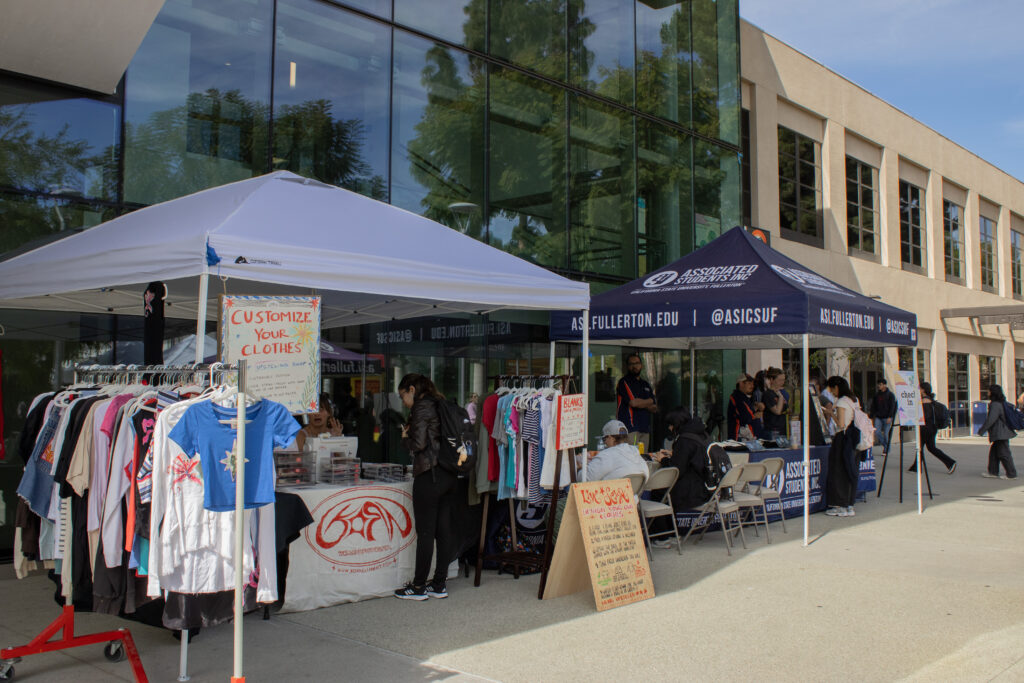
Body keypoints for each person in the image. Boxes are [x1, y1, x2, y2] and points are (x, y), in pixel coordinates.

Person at [394, 374, 455, 600]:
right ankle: (439, 584)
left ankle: (418, 586)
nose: (404, 402)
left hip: (429, 474)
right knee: (444, 531)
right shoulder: (441, 403)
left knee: (427, 533)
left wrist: (404, 437)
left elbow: (418, 443)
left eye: (403, 396)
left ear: (412, 389)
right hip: (448, 473)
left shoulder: (422, 407)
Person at [824, 375, 860, 517]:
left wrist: (830, 413)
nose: (832, 393)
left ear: (836, 387)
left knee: (839, 471)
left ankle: (840, 505)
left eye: (832, 390)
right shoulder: (854, 399)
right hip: (854, 438)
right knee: (850, 470)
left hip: (842, 438)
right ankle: (849, 505)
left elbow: (841, 424)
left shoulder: (841, 402)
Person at [579, 420, 649, 483]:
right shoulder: (635, 452)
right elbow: (646, 476)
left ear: (610, 437)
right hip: (633, 496)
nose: (605, 442)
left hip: (611, 496)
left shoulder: (608, 454)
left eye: (604, 439)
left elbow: (584, 479)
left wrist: (582, 467)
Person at [910, 382, 956, 474]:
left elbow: (925, 416)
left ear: (923, 390)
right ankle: (950, 463)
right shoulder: (930, 400)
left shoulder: (924, 401)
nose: (918, 390)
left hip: (925, 428)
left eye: (919, 388)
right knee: (930, 448)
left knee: (922, 447)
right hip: (932, 428)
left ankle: (950, 462)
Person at [616, 353, 658, 452]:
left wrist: (643, 403)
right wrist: (650, 401)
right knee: (632, 458)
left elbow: (654, 408)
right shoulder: (624, 382)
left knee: (643, 458)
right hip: (630, 428)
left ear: (641, 365)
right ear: (627, 366)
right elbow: (634, 403)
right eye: (631, 364)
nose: (634, 366)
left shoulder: (645, 384)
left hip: (645, 428)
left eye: (637, 363)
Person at [977, 384, 1018, 480]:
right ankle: (993, 472)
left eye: (989, 391)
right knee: (994, 453)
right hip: (1001, 432)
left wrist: (982, 430)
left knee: (1004, 453)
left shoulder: (995, 405)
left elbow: (991, 419)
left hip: (1001, 433)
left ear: (992, 392)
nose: (987, 392)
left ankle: (1011, 474)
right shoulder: (1001, 403)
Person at [727, 373, 764, 440]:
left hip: (750, 438)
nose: (752, 386)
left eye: (753, 384)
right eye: (749, 383)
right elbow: (746, 417)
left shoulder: (744, 398)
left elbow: (748, 412)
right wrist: (757, 414)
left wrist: (756, 408)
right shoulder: (737, 397)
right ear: (741, 383)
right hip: (740, 439)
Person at [869, 379, 897, 456]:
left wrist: (890, 416)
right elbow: (873, 406)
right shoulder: (876, 395)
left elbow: (892, 407)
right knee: (877, 432)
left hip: (887, 417)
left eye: (880, 384)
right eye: (878, 384)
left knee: (886, 434)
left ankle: (886, 449)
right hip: (878, 416)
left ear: (885, 385)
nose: (879, 386)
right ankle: (886, 446)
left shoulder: (890, 395)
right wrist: (871, 416)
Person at [762, 367, 789, 439]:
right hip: (773, 430)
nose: (782, 382)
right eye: (779, 380)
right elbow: (777, 411)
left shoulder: (783, 392)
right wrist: (780, 397)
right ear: (771, 380)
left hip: (783, 428)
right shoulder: (768, 394)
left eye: (783, 380)